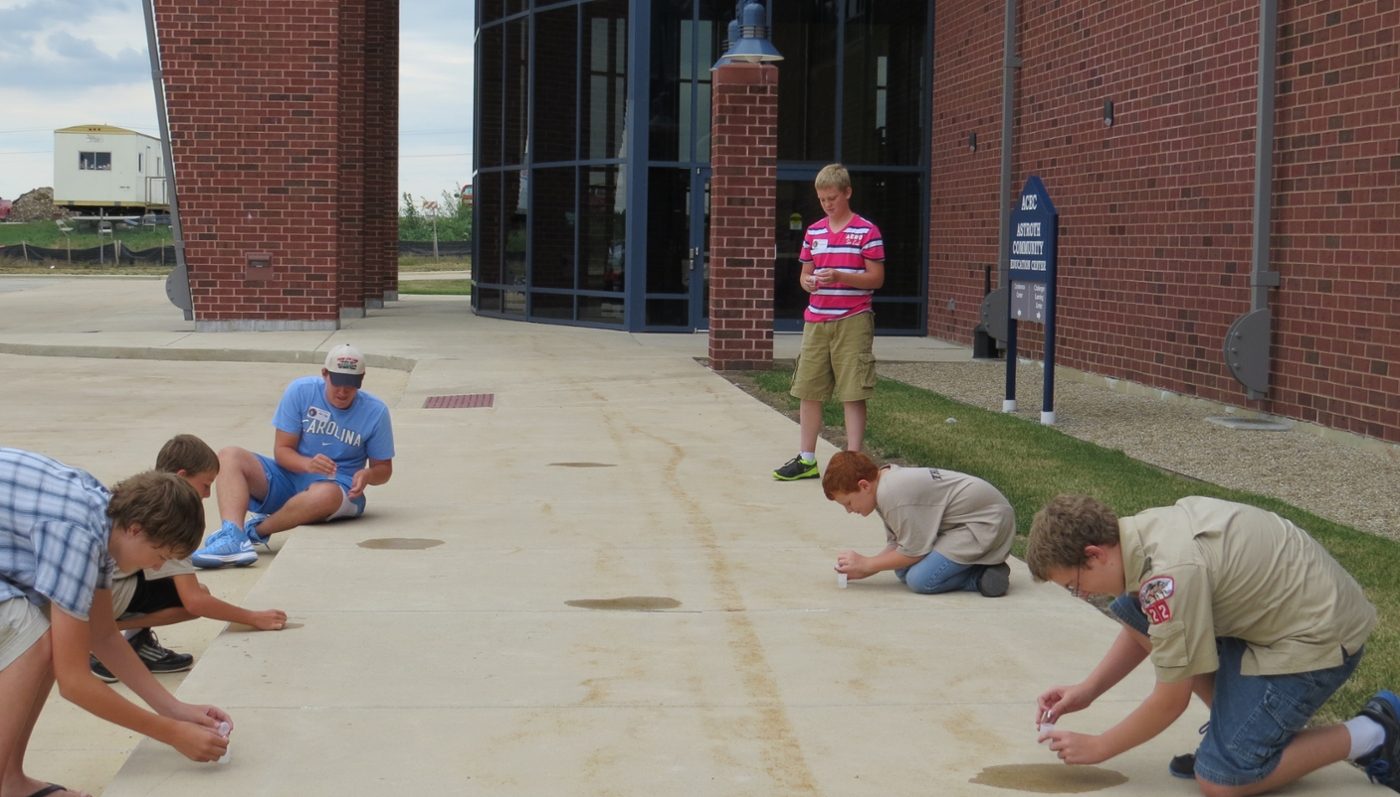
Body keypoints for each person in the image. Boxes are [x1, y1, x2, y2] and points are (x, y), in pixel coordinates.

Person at [1027, 494, 1399, 797]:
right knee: (1133, 605)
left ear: (1094, 554)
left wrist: (1100, 746)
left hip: (1317, 642)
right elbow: (1150, 627)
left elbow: (1170, 701)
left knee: (1221, 780)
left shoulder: (1169, 577)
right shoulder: (1142, 534)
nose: (1083, 594)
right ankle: (1232, 734)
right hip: (1286, 616)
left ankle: (1374, 732)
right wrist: (1087, 691)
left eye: (1075, 585)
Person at [1, 449, 231, 797]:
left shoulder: (107, 518)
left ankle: (10, 781)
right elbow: (74, 682)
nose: (156, 569)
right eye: (161, 556)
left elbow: (104, 634)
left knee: (55, 634)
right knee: (35, 639)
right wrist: (170, 733)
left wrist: (174, 711)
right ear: (136, 529)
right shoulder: (77, 535)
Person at [90, 435, 288, 682]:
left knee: (160, 578)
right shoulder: (171, 514)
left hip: (90, 588)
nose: (207, 495)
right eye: (206, 484)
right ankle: (100, 637)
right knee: (198, 595)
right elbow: (194, 602)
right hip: (98, 596)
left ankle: (127, 638)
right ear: (182, 476)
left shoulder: (146, 492)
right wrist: (253, 618)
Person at [192, 344, 395, 569]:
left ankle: (254, 532)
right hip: (291, 476)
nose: (343, 392)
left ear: (362, 380)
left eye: (351, 385)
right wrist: (307, 464)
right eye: (337, 382)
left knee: (324, 495)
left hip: (340, 487)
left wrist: (367, 475)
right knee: (229, 456)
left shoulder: (376, 411)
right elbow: (282, 451)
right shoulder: (300, 391)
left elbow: (384, 469)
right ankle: (232, 535)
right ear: (324, 374)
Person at [773, 164, 885, 481]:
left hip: (853, 319)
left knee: (852, 390)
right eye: (822, 199)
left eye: (832, 198)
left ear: (847, 193)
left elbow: (876, 278)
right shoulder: (814, 232)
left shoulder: (867, 231)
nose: (827, 204)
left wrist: (839, 276)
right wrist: (807, 283)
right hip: (816, 319)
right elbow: (804, 273)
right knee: (809, 387)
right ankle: (806, 459)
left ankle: (853, 461)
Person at [822, 451, 1015, 597]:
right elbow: (900, 543)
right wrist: (866, 568)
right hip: (961, 525)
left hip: (985, 524)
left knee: (920, 580)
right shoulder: (882, 488)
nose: (849, 510)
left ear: (864, 485)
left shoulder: (891, 493)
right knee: (901, 569)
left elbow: (913, 551)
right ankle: (975, 566)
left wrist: (868, 564)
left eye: (848, 503)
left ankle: (981, 575)